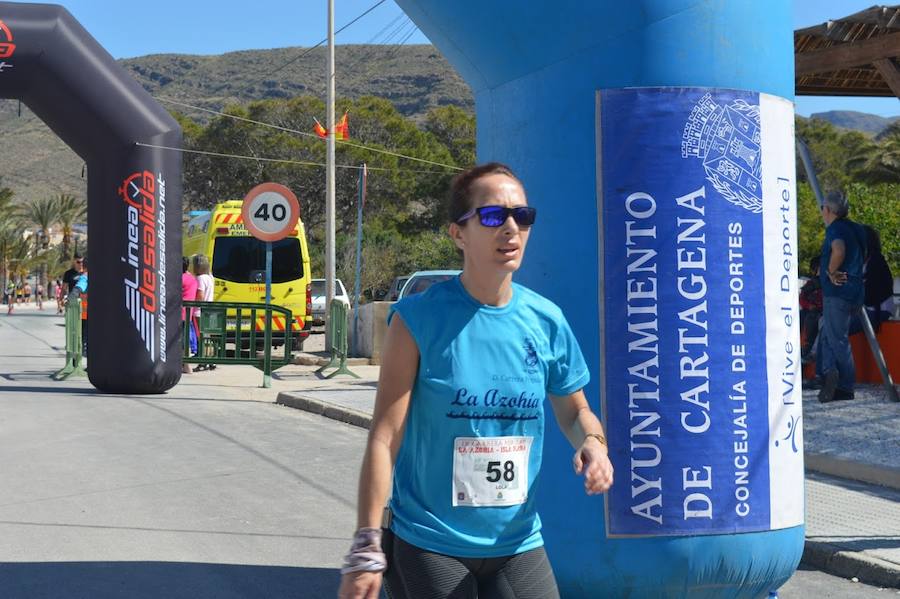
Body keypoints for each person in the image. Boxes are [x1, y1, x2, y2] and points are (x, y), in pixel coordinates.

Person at [338, 163, 613, 599]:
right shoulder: (417, 320)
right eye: (491, 216)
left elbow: (574, 409)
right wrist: (366, 544)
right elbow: (385, 437)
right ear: (457, 234)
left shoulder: (546, 321)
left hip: (518, 541)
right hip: (431, 541)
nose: (510, 227)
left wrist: (593, 443)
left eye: (522, 216)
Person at [816, 190, 867, 403]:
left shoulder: (835, 229)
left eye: (822, 209)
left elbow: (839, 249)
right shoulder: (857, 229)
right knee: (827, 334)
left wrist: (830, 271)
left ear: (828, 210)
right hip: (855, 290)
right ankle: (828, 373)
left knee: (837, 339)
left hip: (838, 293)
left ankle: (845, 386)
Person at [192, 254, 216, 371]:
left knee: (200, 336)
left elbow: (200, 295)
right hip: (210, 309)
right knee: (208, 336)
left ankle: (202, 361)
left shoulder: (200, 278)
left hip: (200, 311)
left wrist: (193, 304)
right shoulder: (210, 277)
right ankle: (211, 360)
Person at [799, 256, 823, 364]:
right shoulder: (811, 284)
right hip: (811, 313)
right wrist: (809, 306)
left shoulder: (829, 283)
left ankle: (810, 352)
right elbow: (802, 298)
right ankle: (805, 351)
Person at [182, 257, 199, 374]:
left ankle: (186, 366)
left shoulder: (178, 279)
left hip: (178, 314)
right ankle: (186, 365)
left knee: (182, 341)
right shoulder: (192, 279)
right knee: (186, 339)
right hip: (189, 313)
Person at [69, 259, 89, 357]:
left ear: (84, 267)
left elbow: (78, 289)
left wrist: (71, 298)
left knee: (83, 340)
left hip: (85, 316)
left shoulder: (85, 277)